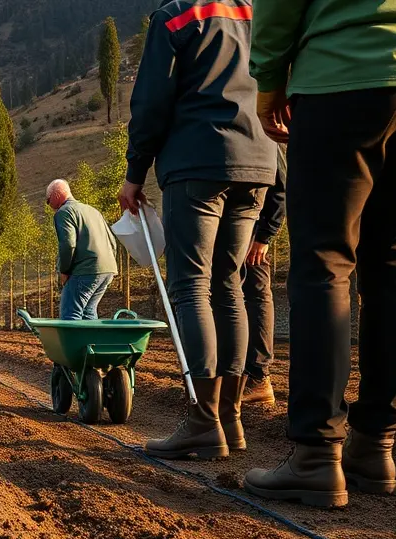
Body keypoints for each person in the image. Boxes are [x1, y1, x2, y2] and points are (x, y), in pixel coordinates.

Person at [244, 0, 396, 508]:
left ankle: (318, 456)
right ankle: (375, 448)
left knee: (324, 262)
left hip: (342, 76)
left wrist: (270, 80)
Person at [119, 0, 277, 460]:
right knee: (229, 285)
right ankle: (230, 419)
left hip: (198, 161)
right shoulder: (257, 13)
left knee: (191, 285)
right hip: (258, 162)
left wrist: (135, 171)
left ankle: (202, 422)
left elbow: (151, 100)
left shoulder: (177, 16)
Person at [242, 150, 286, 407]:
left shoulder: (262, 124)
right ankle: (240, 376)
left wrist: (264, 236)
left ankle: (258, 377)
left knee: (257, 295)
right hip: (230, 223)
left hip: (252, 227)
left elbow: (280, 183)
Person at [46, 179, 118, 320]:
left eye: (48, 201)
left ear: (56, 195)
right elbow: (112, 241)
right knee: (88, 313)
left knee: (71, 314)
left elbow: (67, 244)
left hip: (85, 270)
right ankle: (91, 342)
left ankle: (72, 343)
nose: (48, 205)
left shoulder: (64, 212)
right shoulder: (93, 210)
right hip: (107, 270)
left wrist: (64, 270)